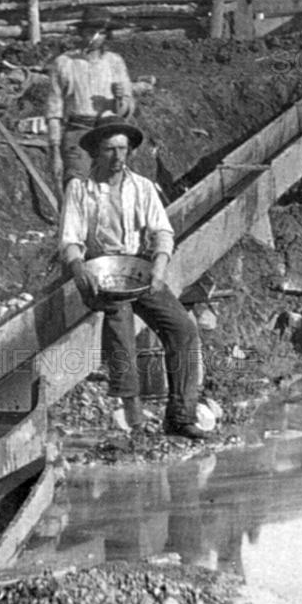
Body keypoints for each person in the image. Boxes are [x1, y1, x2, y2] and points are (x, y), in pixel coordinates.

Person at [58, 115, 209, 441]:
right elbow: (70, 238)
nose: (118, 157)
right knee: (119, 320)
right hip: (100, 274)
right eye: (110, 150)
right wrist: (79, 269)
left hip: (137, 271)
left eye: (123, 149)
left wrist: (159, 268)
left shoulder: (141, 187)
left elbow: (162, 231)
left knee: (182, 330)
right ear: (96, 152)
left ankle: (181, 416)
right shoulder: (80, 190)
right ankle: (132, 409)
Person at [45, 7, 135, 187]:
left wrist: (119, 100)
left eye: (101, 32)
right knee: (77, 186)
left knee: (111, 187)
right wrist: (55, 150)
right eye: (90, 32)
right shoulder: (64, 63)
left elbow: (127, 109)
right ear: (81, 34)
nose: (95, 36)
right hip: (78, 134)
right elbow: (54, 111)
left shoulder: (115, 62)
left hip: (109, 133)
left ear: (107, 36)